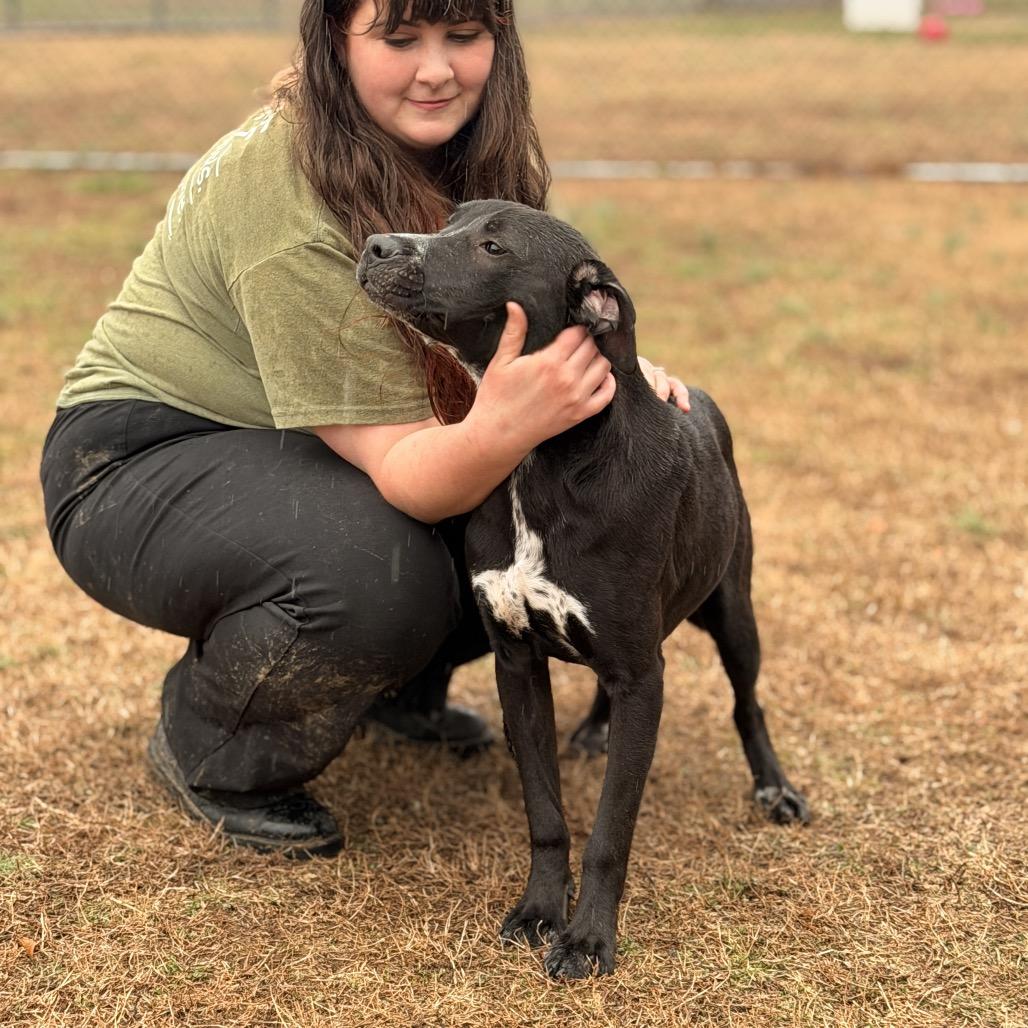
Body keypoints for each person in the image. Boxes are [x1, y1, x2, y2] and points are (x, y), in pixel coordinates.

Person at [40, 0, 690, 859]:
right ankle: (215, 748)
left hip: (303, 451)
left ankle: (392, 691)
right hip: (134, 462)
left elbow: (509, 335)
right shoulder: (282, 188)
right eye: (400, 39)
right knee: (383, 567)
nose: (437, 69)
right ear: (332, 44)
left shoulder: (460, 155)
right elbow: (410, 468)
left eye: (463, 36)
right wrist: (507, 421)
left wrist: (605, 377)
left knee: (533, 510)